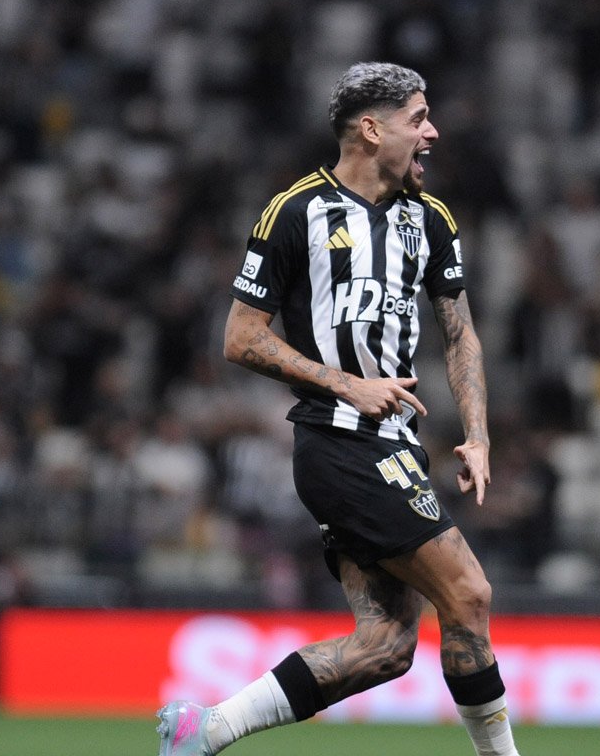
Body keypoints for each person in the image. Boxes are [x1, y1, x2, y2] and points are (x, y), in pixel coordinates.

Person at [155, 62, 521, 755]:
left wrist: (477, 435)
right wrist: (344, 383)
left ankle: (207, 729)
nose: (432, 132)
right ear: (371, 127)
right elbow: (241, 338)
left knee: (385, 647)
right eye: (419, 118)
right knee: (469, 593)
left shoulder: (431, 219)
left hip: (396, 445)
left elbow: (460, 332)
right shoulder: (295, 212)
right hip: (339, 439)